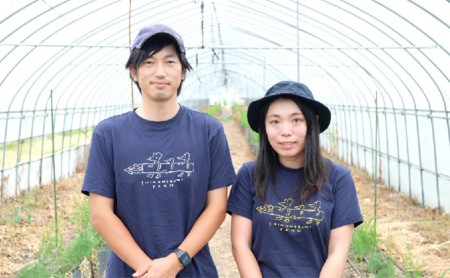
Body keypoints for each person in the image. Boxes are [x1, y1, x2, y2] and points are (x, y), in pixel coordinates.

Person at [81, 23, 236, 278]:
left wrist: (175, 262)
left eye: (170, 62)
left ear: (184, 71)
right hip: (130, 271)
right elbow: (100, 214)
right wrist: (149, 270)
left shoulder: (208, 131)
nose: (160, 72)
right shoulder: (109, 134)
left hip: (193, 270)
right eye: (149, 62)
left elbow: (217, 207)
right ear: (134, 71)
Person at [227, 81, 363, 277]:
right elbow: (240, 245)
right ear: (264, 127)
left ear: (313, 122)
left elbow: (337, 253)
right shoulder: (250, 175)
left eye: (296, 120)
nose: (285, 131)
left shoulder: (338, 179)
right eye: (275, 121)